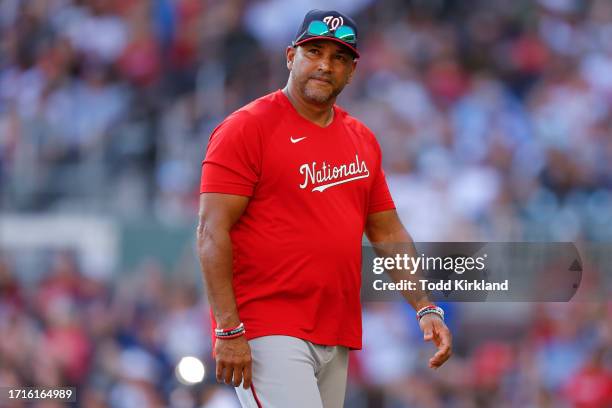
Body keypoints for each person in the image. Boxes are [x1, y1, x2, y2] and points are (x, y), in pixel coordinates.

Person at [197, 9, 452, 408]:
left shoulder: (361, 138)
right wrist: (228, 329)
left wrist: (424, 306)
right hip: (266, 326)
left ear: (352, 71)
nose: (324, 65)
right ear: (289, 56)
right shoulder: (246, 128)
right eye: (314, 51)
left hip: (336, 329)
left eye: (339, 58)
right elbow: (211, 232)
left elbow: (387, 232)